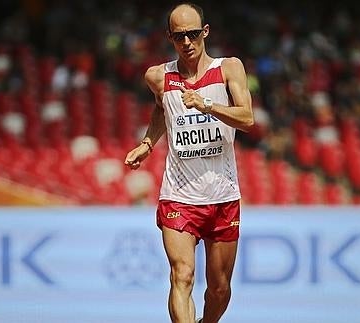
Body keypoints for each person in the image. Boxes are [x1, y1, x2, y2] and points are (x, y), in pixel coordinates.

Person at [124, 3, 254, 323]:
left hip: (222, 196)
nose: (187, 42)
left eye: (193, 34)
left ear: (205, 32)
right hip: (179, 195)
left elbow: (247, 117)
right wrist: (147, 143)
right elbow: (161, 110)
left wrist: (206, 104)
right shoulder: (158, 76)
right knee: (181, 275)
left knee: (219, 289)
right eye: (179, 36)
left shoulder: (228, 69)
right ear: (170, 37)